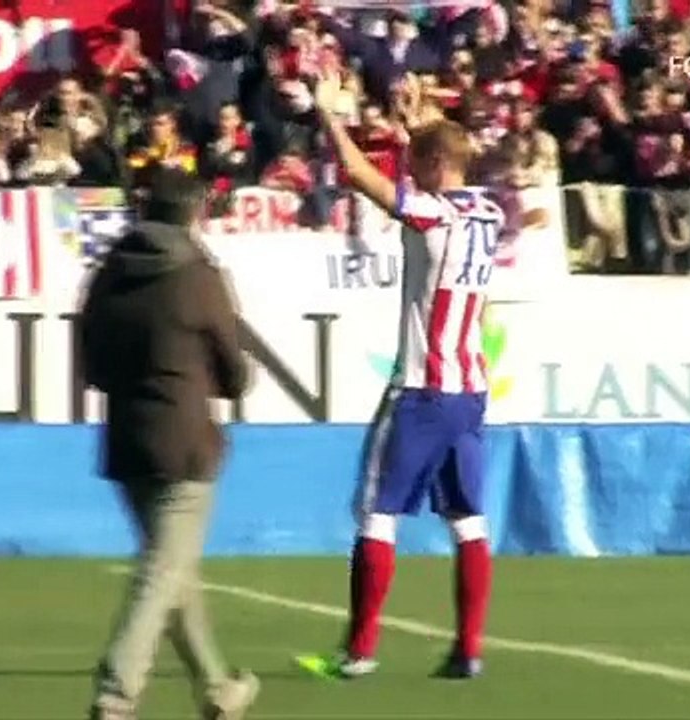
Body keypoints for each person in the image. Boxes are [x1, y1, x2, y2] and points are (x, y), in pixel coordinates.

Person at [296, 69, 505, 680]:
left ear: (437, 162)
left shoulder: (434, 216)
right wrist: (417, 123)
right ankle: (467, 650)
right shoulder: (488, 212)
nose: (409, 167)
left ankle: (359, 651)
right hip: (470, 391)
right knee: (468, 521)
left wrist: (329, 114)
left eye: (418, 159)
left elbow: (364, 179)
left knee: (377, 514)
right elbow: (443, 168)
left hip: (420, 387)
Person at [79, 167, 260, 720]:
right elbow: (233, 372)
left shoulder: (107, 273)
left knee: (173, 570)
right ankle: (117, 693)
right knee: (163, 571)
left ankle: (217, 688)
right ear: (195, 214)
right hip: (186, 440)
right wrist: (233, 377)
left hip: (128, 438)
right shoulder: (199, 274)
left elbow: (92, 367)